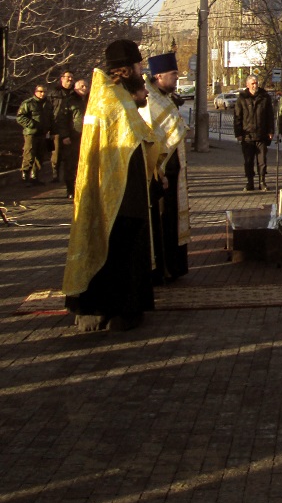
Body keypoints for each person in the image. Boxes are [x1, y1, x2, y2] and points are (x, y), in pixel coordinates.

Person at [62, 39, 158, 333]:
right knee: (120, 248)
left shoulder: (113, 94)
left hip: (123, 187)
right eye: (139, 66)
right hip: (120, 191)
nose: (142, 72)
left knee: (117, 246)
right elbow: (137, 136)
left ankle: (111, 308)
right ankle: (119, 310)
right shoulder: (113, 99)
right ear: (127, 69)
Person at [140, 52, 191, 283]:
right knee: (163, 222)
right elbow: (153, 136)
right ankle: (163, 269)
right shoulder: (150, 100)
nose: (176, 77)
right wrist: (158, 169)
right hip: (161, 170)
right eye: (173, 74)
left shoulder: (165, 97)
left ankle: (174, 267)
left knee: (173, 220)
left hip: (174, 169)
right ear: (159, 76)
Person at [233, 75, 275, 192]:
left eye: (256, 83)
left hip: (261, 134)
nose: (255, 85)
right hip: (247, 136)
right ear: (247, 85)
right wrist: (238, 133)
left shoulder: (264, 97)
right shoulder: (242, 98)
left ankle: (262, 182)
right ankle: (249, 182)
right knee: (248, 161)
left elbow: (270, 116)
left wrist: (271, 131)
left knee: (262, 161)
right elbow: (237, 117)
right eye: (252, 83)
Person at [17, 84, 53, 185]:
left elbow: (51, 118)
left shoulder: (48, 104)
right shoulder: (28, 103)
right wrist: (31, 124)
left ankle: (35, 177)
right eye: (40, 91)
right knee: (29, 155)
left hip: (43, 133)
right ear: (35, 92)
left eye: (45, 92)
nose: (43, 94)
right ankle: (25, 177)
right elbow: (20, 117)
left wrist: (50, 129)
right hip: (31, 133)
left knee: (40, 156)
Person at [49, 70, 76, 183]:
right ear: (62, 78)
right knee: (56, 153)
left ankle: (68, 177)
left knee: (69, 154)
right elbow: (48, 110)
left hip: (71, 128)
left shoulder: (75, 94)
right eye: (68, 77)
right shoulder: (54, 93)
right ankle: (55, 174)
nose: (70, 80)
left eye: (72, 78)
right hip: (55, 127)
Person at [63, 78, 89, 200]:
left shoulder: (90, 100)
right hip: (73, 136)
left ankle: (83, 188)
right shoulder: (70, 101)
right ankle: (70, 189)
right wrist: (65, 135)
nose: (85, 88)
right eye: (82, 86)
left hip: (87, 136)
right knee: (71, 164)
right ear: (76, 88)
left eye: (86, 86)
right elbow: (62, 119)